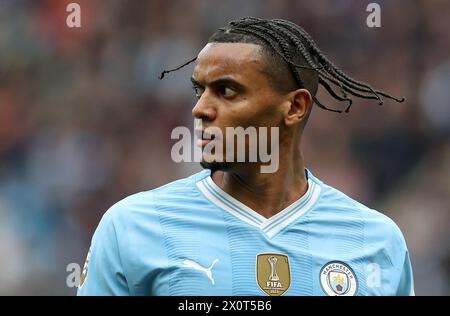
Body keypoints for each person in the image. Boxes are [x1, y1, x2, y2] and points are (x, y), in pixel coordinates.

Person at [77, 17, 414, 296]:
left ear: (295, 107)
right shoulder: (133, 228)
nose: (200, 109)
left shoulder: (375, 241)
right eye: (199, 90)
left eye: (227, 91)